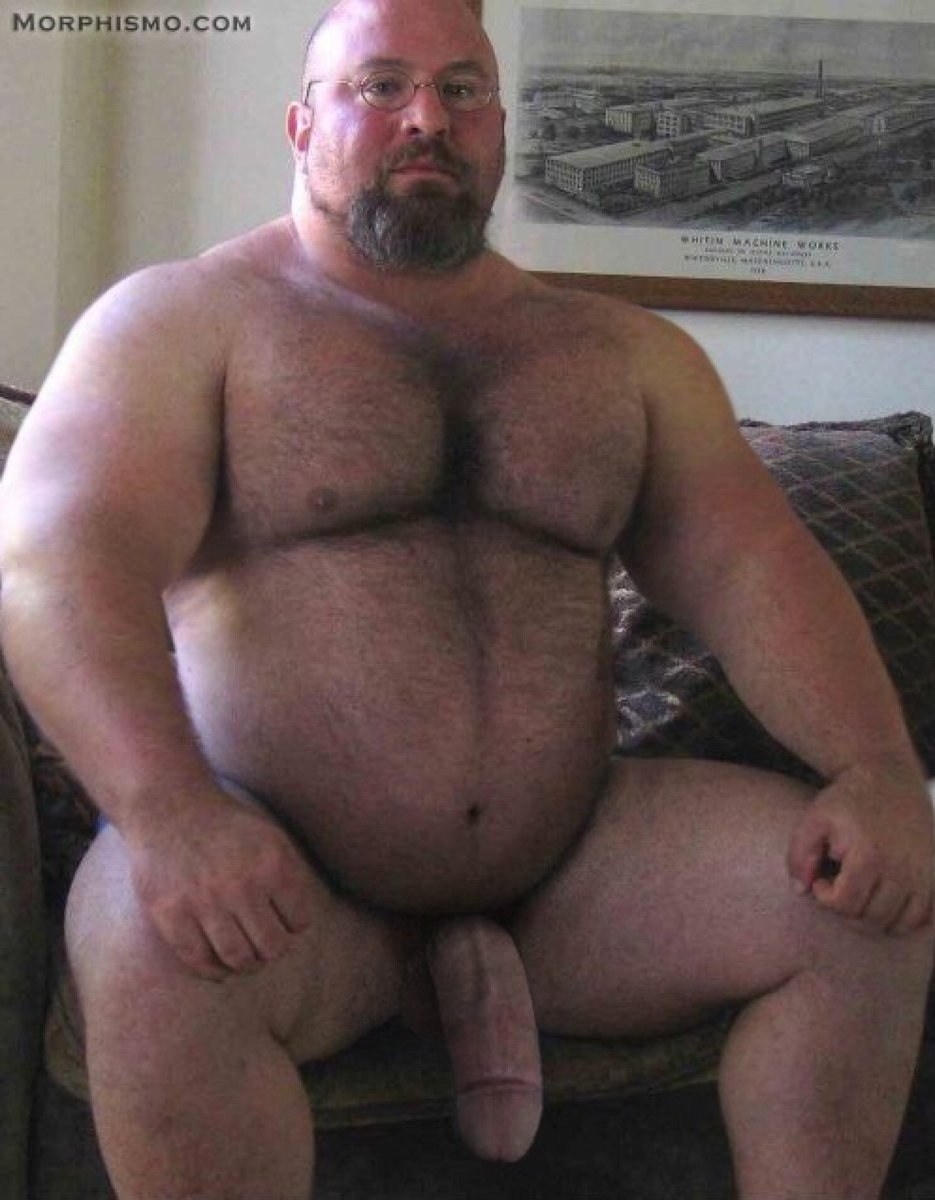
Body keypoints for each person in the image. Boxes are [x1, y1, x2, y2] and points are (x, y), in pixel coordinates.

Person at [1, 0, 933, 1195]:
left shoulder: (620, 353)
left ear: (498, 127)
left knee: (866, 904)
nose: (425, 118)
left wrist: (875, 770)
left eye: (461, 89)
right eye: (379, 85)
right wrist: (170, 813)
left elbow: (752, 567)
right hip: (288, 882)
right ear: (300, 125)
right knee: (145, 943)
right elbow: (57, 567)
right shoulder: (180, 324)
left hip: (572, 876)